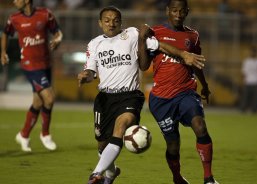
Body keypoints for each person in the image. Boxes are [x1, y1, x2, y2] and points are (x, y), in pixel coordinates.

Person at [77, 6, 206, 184]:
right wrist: (86, 76)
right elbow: (91, 71)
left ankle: (96, 174)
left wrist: (183, 54)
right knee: (102, 145)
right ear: (100, 23)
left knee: (120, 128)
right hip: (105, 99)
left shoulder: (132, 34)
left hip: (130, 96)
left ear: (121, 21)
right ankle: (110, 173)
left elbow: (160, 45)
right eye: (106, 20)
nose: (111, 23)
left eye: (115, 19)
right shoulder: (94, 44)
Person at [138, 0, 218, 183]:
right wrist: (142, 40)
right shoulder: (155, 33)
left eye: (182, 11)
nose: (178, 14)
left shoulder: (193, 36)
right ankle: (177, 177)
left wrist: (204, 86)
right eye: (174, 10)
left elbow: (196, 64)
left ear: (187, 12)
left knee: (200, 126)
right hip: (161, 100)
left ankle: (209, 178)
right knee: (173, 145)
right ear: (168, 11)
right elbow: (143, 66)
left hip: (186, 93)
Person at [1, 0, 63, 152]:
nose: (14, 2)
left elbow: (58, 32)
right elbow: (5, 33)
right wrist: (3, 52)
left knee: (38, 101)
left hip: (45, 64)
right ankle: (45, 134)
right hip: (30, 65)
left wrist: (57, 40)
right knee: (49, 98)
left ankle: (24, 134)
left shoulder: (45, 15)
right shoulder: (14, 18)